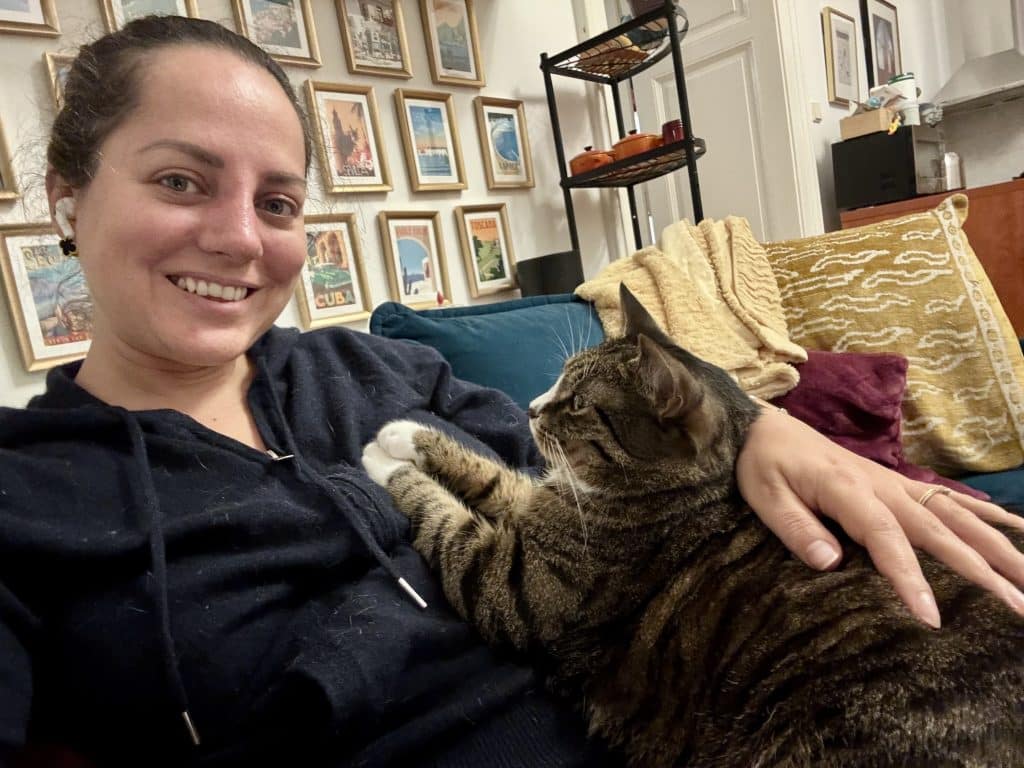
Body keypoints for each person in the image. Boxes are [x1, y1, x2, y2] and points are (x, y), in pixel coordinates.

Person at [1, 15, 1022, 768]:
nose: (237, 237)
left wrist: (752, 428)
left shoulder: (375, 371)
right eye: (180, 181)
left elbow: (604, 486)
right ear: (67, 193)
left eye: (276, 201)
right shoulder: (27, 490)